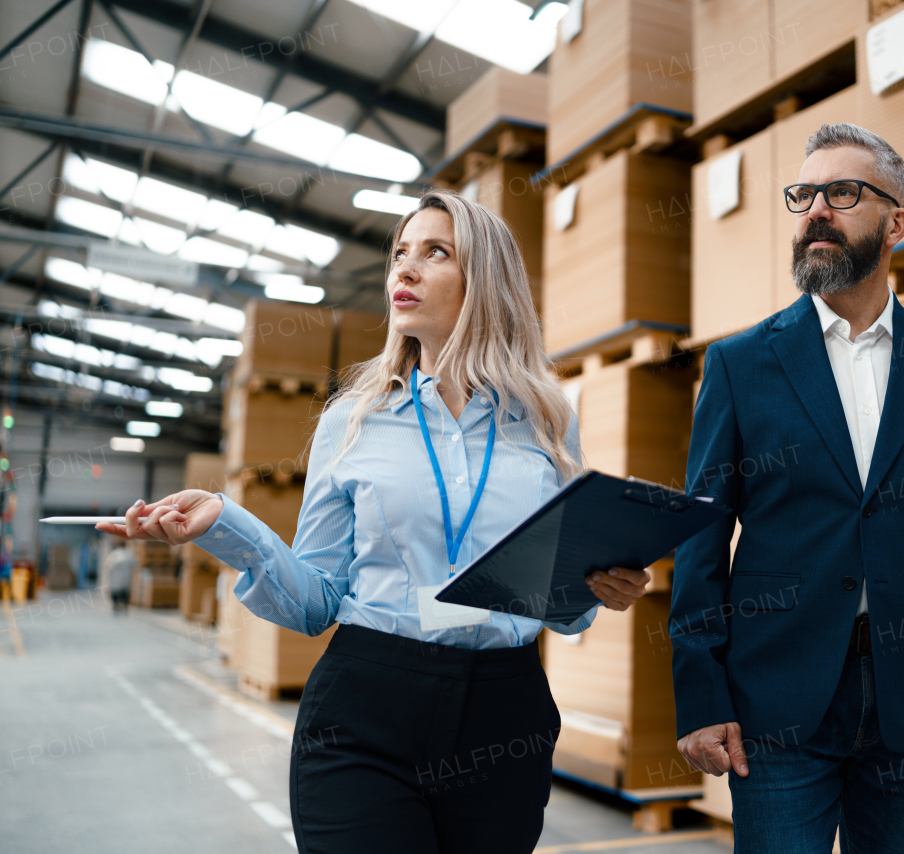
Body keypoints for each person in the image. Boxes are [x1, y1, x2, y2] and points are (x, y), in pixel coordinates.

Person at [99, 190, 652, 854]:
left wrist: (601, 586)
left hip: (506, 716)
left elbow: (566, 608)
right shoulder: (352, 420)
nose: (404, 271)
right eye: (399, 255)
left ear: (485, 279)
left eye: (434, 253)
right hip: (366, 710)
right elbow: (315, 602)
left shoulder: (545, 420)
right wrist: (227, 524)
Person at [670, 123, 904, 853]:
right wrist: (700, 695)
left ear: (897, 223)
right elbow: (701, 540)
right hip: (777, 706)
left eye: (843, 193)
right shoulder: (740, 365)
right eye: (804, 194)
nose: (817, 208)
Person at [105, 542, 135, 613]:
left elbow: (108, 565)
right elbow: (134, 564)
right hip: (125, 577)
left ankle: (115, 605)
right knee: (124, 592)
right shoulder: (129, 553)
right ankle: (124, 605)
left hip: (115, 577)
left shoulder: (113, 554)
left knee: (115, 591)